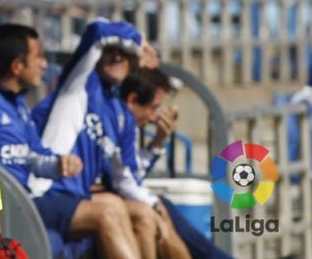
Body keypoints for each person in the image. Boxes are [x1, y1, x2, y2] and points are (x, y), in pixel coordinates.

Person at [30, 19, 155, 257]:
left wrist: (156, 147)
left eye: (124, 53)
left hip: (78, 197)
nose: (117, 57)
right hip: (48, 190)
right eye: (111, 50)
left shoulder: (120, 113)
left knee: (146, 213)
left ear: (133, 64)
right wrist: (138, 39)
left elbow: (127, 176)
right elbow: (97, 30)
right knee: (111, 210)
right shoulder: (79, 86)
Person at [0, 24, 90, 257]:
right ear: (17, 66)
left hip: (29, 199)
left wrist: (58, 164)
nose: (44, 64)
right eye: (38, 56)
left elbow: (34, 155)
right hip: (10, 206)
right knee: (109, 213)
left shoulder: (19, 104)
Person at [120, 69, 231, 259]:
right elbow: (123, 180)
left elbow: (130, 174)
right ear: (132, 100)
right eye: (154, 108)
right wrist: (153, 205)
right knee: (155, 213)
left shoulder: (126, 125)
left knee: (162, 210)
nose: (155, 116)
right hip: (98, 201)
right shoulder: (115, 122)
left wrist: (159, 140)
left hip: (119, 197)